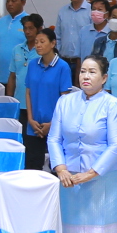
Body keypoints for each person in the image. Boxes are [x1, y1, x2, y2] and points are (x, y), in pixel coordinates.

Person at [50, 55, 117, 233]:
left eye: (92, 72)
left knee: (100, 227)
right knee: (75, 229)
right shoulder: (65, 102)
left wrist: (92, 172)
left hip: (103, 177)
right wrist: (61, 168)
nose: (86, 76)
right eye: (83, 71)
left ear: (104, 78)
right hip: (70, 176)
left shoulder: (114, 105)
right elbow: (54, 138)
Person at [21, 27, 71, 171]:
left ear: (53, 43)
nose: (38, 45)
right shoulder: (32, 64)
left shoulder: (63, 67)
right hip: (34, 125)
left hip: (55, 125)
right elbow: (28, 93)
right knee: (32, 167)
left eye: (42, 42)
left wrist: (52, 123)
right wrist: (30, 119)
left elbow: (65, 99)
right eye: (36, 42)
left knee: (55, 168)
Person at [55, 0, 92, 78]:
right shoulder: (62, 11)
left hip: (83, 63)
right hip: (63, 61)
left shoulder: (91, 11)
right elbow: (57, 36)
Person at [0, 0, 29, 81]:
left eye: (13, 1)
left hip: (21, 79)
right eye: (7, 1)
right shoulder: (0, 23)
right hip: (0, 78)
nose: (10, 4)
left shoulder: (29, 22)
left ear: (23, 2)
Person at [5, 13, 44, 95]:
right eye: (25, 28)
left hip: (36, 100)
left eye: (31, 28)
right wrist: (10, 99)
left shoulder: (44, 51)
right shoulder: (17, 49)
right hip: (18, 100)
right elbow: (12, 77)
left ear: (39, 29)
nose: (27, 32)